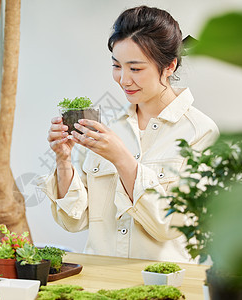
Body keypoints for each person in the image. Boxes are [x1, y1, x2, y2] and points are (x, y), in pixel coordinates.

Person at [37, 5, 219, 262]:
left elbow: (170, 225)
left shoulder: (200, 132)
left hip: (162, 283)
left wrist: (122, 158)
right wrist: (63, 160)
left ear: (169, 66)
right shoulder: (106, 125)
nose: (123, 79)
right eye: (116, 66)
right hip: (101, 281)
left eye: (135, 69)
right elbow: (75, 220)